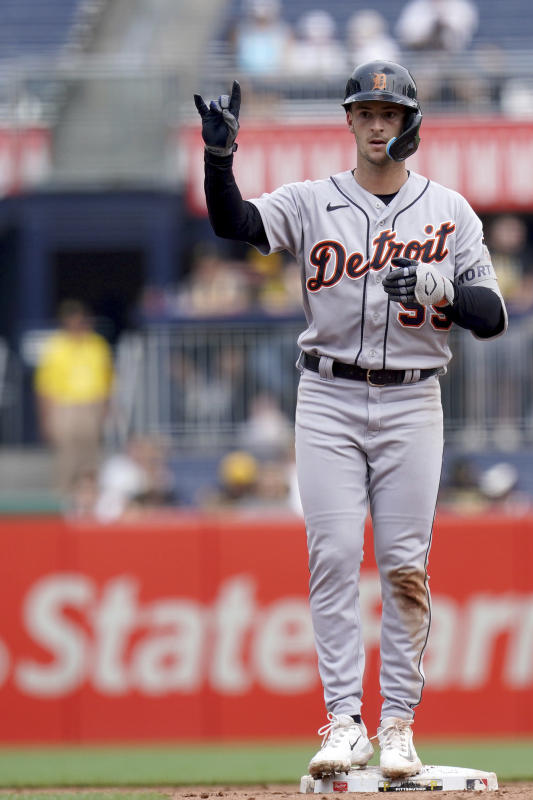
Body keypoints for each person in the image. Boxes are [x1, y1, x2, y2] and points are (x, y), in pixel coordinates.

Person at [193, 60, 507, 781]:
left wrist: (444, 291)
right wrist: (219, 159)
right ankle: (344, 719)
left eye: (388, 113)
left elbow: (493, 317)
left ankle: (398, 724)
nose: (375, 124)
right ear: (348, 120)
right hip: (329, 395)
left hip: (413, 397)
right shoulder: (312, 199)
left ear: (409, 123)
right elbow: (233, 222)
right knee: (332, 554)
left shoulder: (450, 210)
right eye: (365, 112)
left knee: (403, 567)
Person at [34, 300, 114, 496]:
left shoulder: (97, 345)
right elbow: (44, 387)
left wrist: (106, 409)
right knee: (67, 454)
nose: (77, 326)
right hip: (64, 406)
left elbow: (107, 382)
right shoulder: (55, 346)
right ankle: (64, 495)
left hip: (91, 406)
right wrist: (46, 418)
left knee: (90, 454)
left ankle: (89, 496)